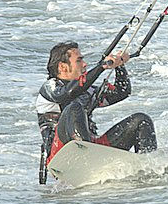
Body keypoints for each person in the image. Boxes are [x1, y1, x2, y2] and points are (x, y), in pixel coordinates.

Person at [36, 41, 157, 181]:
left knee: (141, 120)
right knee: (74, 108)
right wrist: (101, 67)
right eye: (79, 60)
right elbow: (68, 93)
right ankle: (85, 156)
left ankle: (148, 169)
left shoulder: (88, 90)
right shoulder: (50, 87)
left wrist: (119, 66)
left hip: (93, 146)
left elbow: (121, 92)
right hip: (61, 153)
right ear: (63, 67)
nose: (85, 64)